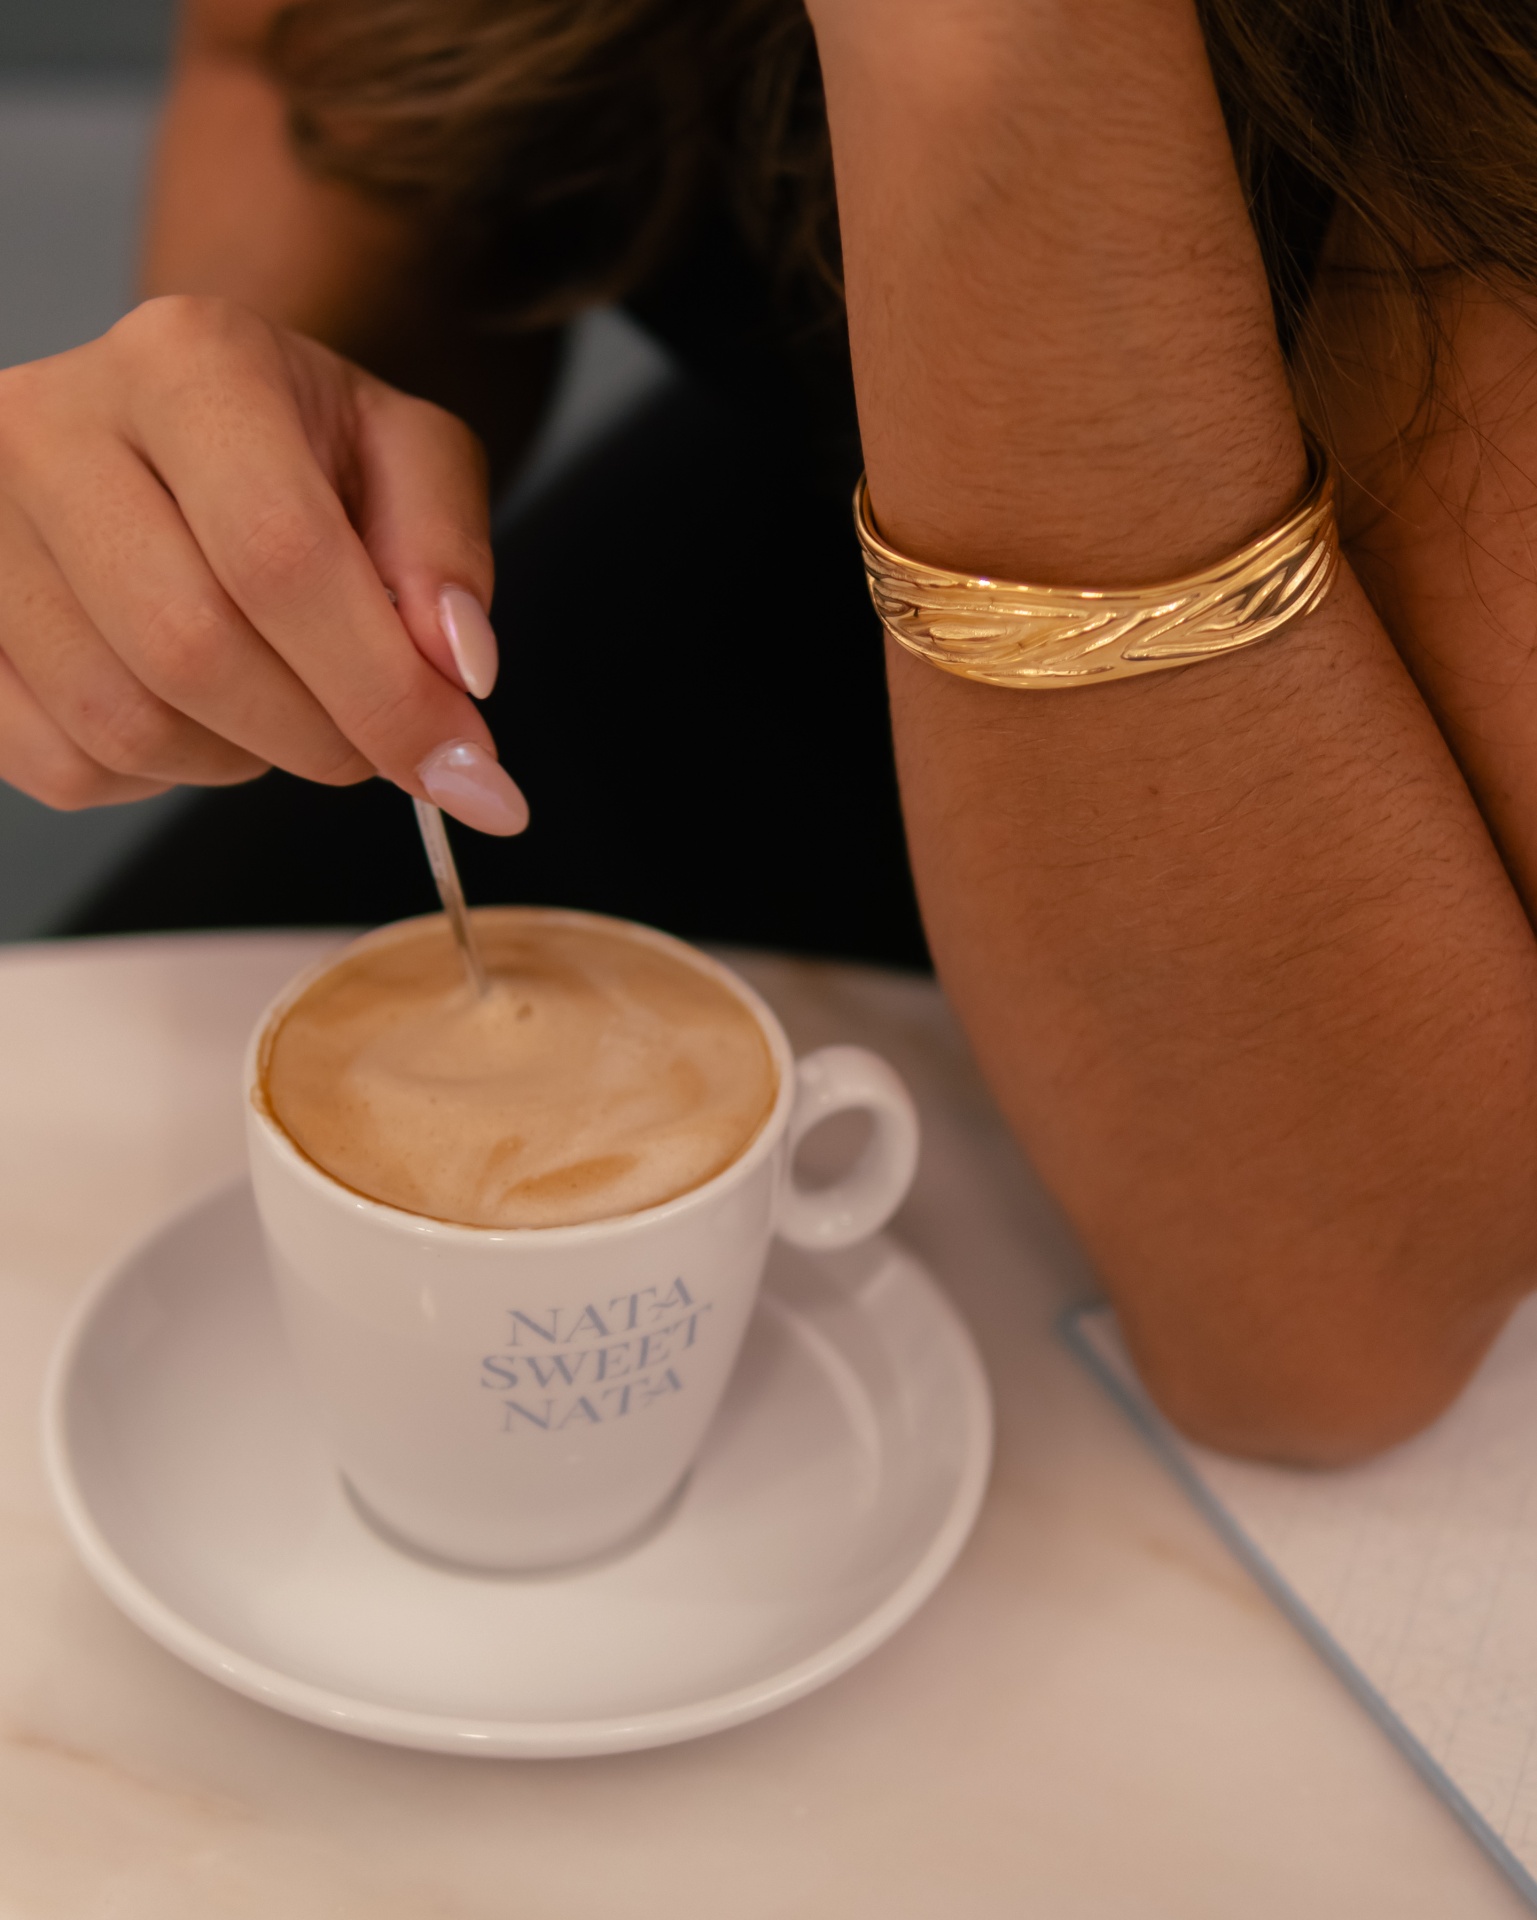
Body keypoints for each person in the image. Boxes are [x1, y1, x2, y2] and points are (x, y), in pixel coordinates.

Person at [4, 0, 1537, 1466]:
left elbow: (1318, 1344)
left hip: (1319, 804)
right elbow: (288, 66)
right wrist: (247, 467)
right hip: (757, 549)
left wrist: (980, 41)